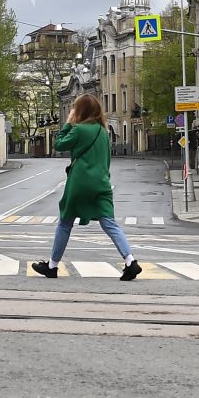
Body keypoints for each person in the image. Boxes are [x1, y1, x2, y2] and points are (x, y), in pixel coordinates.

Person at [31, 94, 141, 281]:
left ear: (79, 111)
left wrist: (68, 122)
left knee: (65, 222)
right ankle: (130, 261)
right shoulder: (103, 131)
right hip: (102, 182)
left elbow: (59, 144)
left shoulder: (79, 130)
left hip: (80, 183)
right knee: (109, 222)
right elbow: (107, 160)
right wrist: (104, 178)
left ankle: (52, 266)